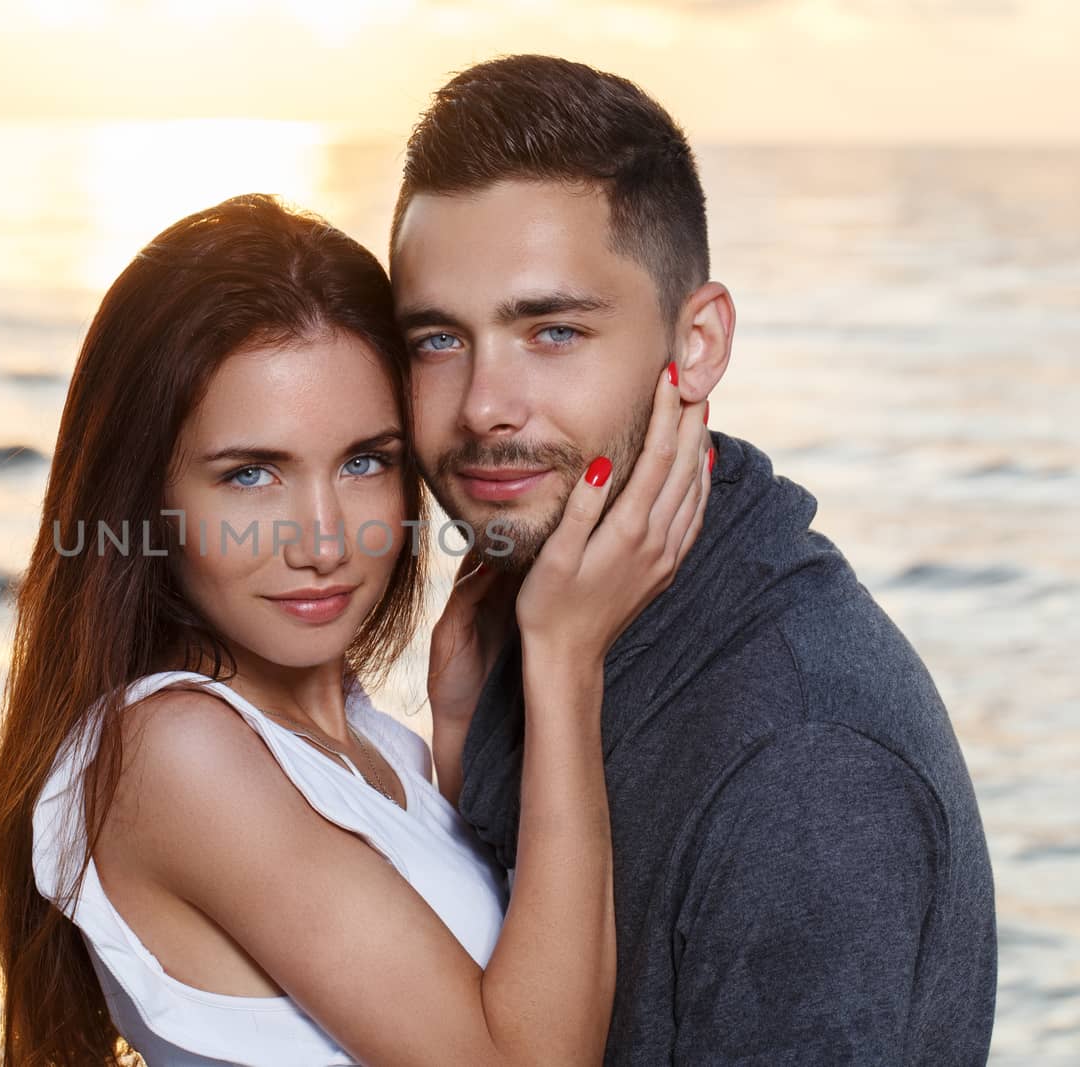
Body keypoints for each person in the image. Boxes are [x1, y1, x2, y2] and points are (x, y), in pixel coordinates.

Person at [0, 192, 712, 1065]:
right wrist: (565, 660)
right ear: (148, 496)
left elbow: (486, 978)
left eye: (365, 461)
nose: (324, 541)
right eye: (250, 475)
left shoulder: (371, 746)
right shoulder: (173, 751)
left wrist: (463, 736)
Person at [389, 54, 998, 1064]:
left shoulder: (804, 768)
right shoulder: (543, 615)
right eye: (437, 339)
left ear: (699, 341)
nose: (484, 404)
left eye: (552, 329)